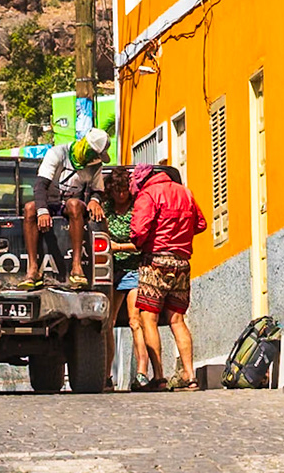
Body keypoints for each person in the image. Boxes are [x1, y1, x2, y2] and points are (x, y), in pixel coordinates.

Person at [129, 163, 206, 391]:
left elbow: (138, 231)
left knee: (148, 319)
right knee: (177, 320)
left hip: (156, 263)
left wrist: (141, 243)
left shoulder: (148, 194)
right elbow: (200, 224)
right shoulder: (185, 192)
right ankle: (190, 375)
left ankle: (159, 376)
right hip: (182, 263)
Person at [22, 127, 111, 289]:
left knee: (75, 204)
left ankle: (77, 267)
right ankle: (33, 268)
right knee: (29, 208)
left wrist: (95, 200)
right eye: (93, 153)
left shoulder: (95, 166)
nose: (94, 158)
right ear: (85, 146)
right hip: (50, 202)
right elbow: (40, 185)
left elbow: (99, 190)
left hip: (70, 205)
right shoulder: (58, 153)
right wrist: (42, 211)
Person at [99, 167, 152, 388]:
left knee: (134, 321)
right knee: (108, 322)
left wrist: (118, 246)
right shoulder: (106, 209)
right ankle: (106, 375)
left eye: (124, 190)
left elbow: (142, 242)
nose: (121, 195)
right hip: (111, 270)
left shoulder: (137, 209)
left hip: (133, 269)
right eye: (117, 190)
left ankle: (141, 373)